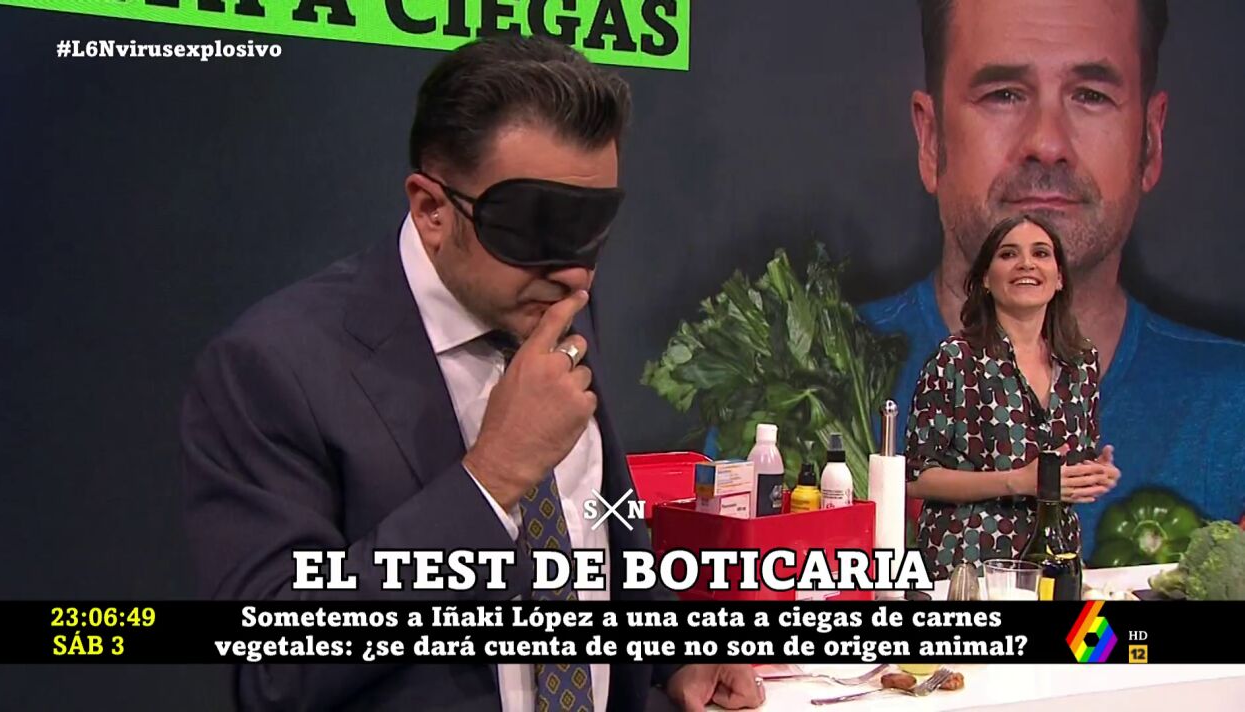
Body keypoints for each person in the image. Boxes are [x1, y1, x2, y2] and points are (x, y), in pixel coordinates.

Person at [179, 35, 763, 712]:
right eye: (536, 228)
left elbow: (592, 531)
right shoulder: (272, 369)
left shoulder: (552, 299)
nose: (575, 271)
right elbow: (272, 671)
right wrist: (491, 476)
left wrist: (676, 654)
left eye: (592, 228)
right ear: (432, 210)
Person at [859, 0, 1245, 564]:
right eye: (1003, 94)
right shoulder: (812, 381)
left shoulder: (1234, 405)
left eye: (1090, 95)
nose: (1046, 143)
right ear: (931, 139)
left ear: (1150, 141)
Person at [904, 214, 1121, 580]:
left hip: (1057, 562)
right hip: (968, 565)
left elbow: (1068, 466)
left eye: (1041, 253)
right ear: (986, 280)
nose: (1026, 264)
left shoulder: (1081, 362)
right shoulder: (955, 359)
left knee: (1103, 622)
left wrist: (1092, 474)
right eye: (1008, 254)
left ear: (1059, 277)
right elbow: (915, 477)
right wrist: (1017, 480)